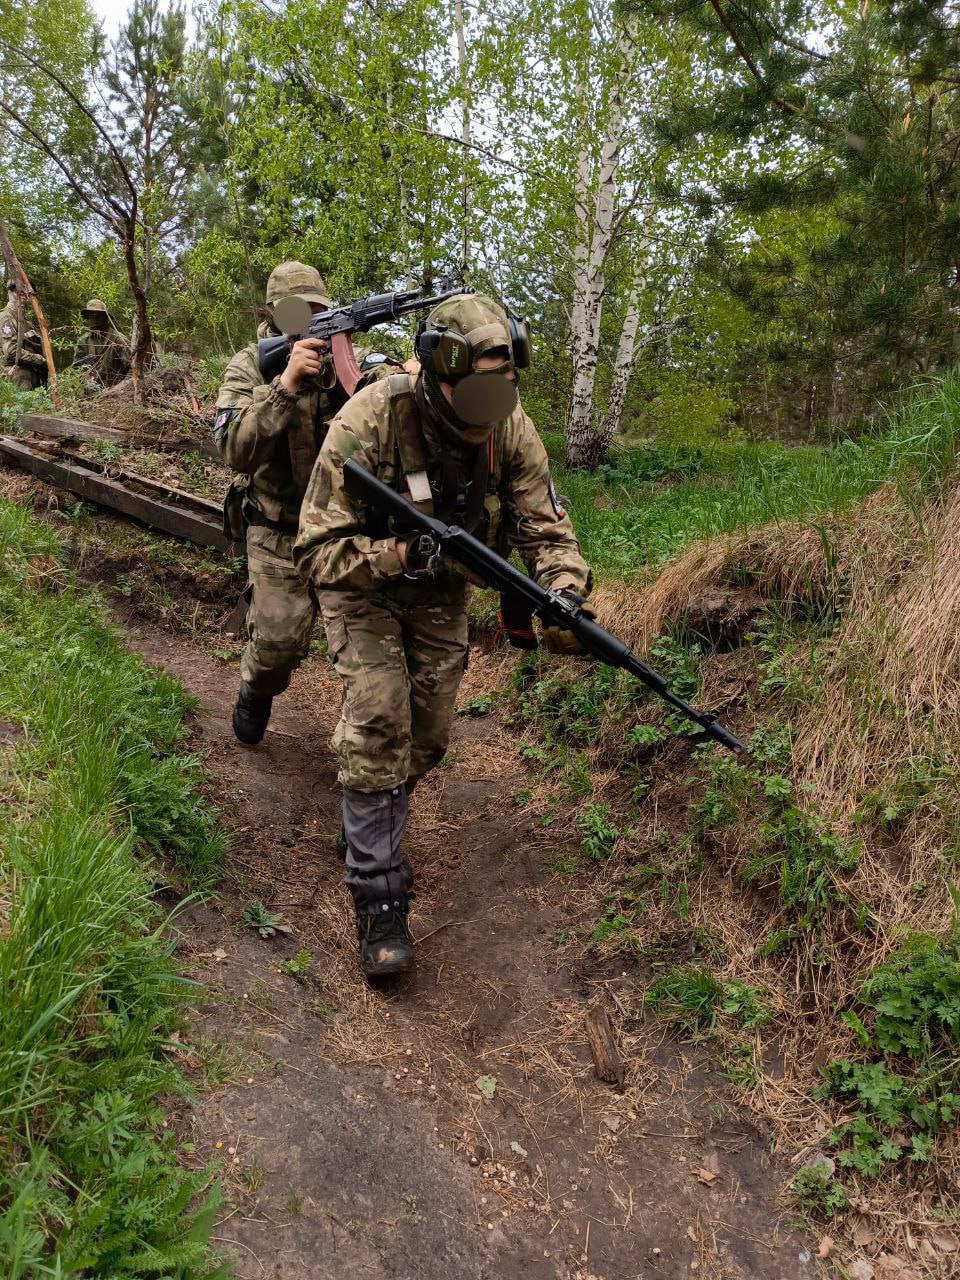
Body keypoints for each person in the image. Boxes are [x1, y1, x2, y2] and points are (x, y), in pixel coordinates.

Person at [294, 294, 593, 979]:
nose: (495, 401)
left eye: (505, 384)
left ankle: (367, 816)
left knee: (425, 736)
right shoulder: (370, 418)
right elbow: (314, 550)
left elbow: (544, 524)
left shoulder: (509, 427)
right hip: (361, 585)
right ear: (439, 373)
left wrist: (565, 592)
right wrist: (396, 556)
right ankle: (379, 896)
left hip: (441, 593)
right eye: (481, 387)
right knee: (378, 719)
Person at [214, 261, 404, 746]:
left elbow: (387, 401)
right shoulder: (250, 365)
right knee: (278, 644)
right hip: (277, 527)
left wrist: (403, 379)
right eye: (297, 312)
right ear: (275, 315)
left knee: (369, 651)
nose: (309, 319)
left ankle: (367, 743)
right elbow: (233, 450)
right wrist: (284, 386)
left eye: (318, 310)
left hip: (345, 532)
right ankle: (257, 687)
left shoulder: (350, 359)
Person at [72, 299, 131, 387]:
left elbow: (133, 368)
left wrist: (121, 387)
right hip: (91, 393)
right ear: (87, 317)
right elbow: (77, 368)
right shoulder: (83, 341)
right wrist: (87, 381)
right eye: (91, 315)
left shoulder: (119, 340)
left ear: (105, 317)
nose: (94, 318)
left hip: (116, 392)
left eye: (98, 315)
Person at [0, 282, 48, 389]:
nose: (22, 293)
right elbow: (11, 351)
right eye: (17, 290)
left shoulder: (28, 323)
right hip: (15, 376)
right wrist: (40, 360)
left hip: (33, 377)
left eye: (25, 290)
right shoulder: (5, 318)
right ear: (10, 292)